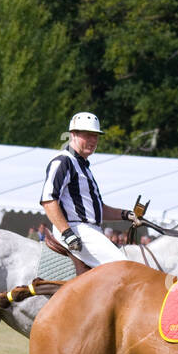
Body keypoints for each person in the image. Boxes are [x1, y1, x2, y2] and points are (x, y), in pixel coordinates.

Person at [39, 112, 139, 269]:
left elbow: (98, 209)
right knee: (123, 267)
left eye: (96, 136)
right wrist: (67, 233)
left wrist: (127, 214)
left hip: (90, 230)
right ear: (73, 135)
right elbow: (48, 200)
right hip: (76, 229)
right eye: (88, 135)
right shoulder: (63, 161)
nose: (93, 140)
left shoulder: (84, 167)